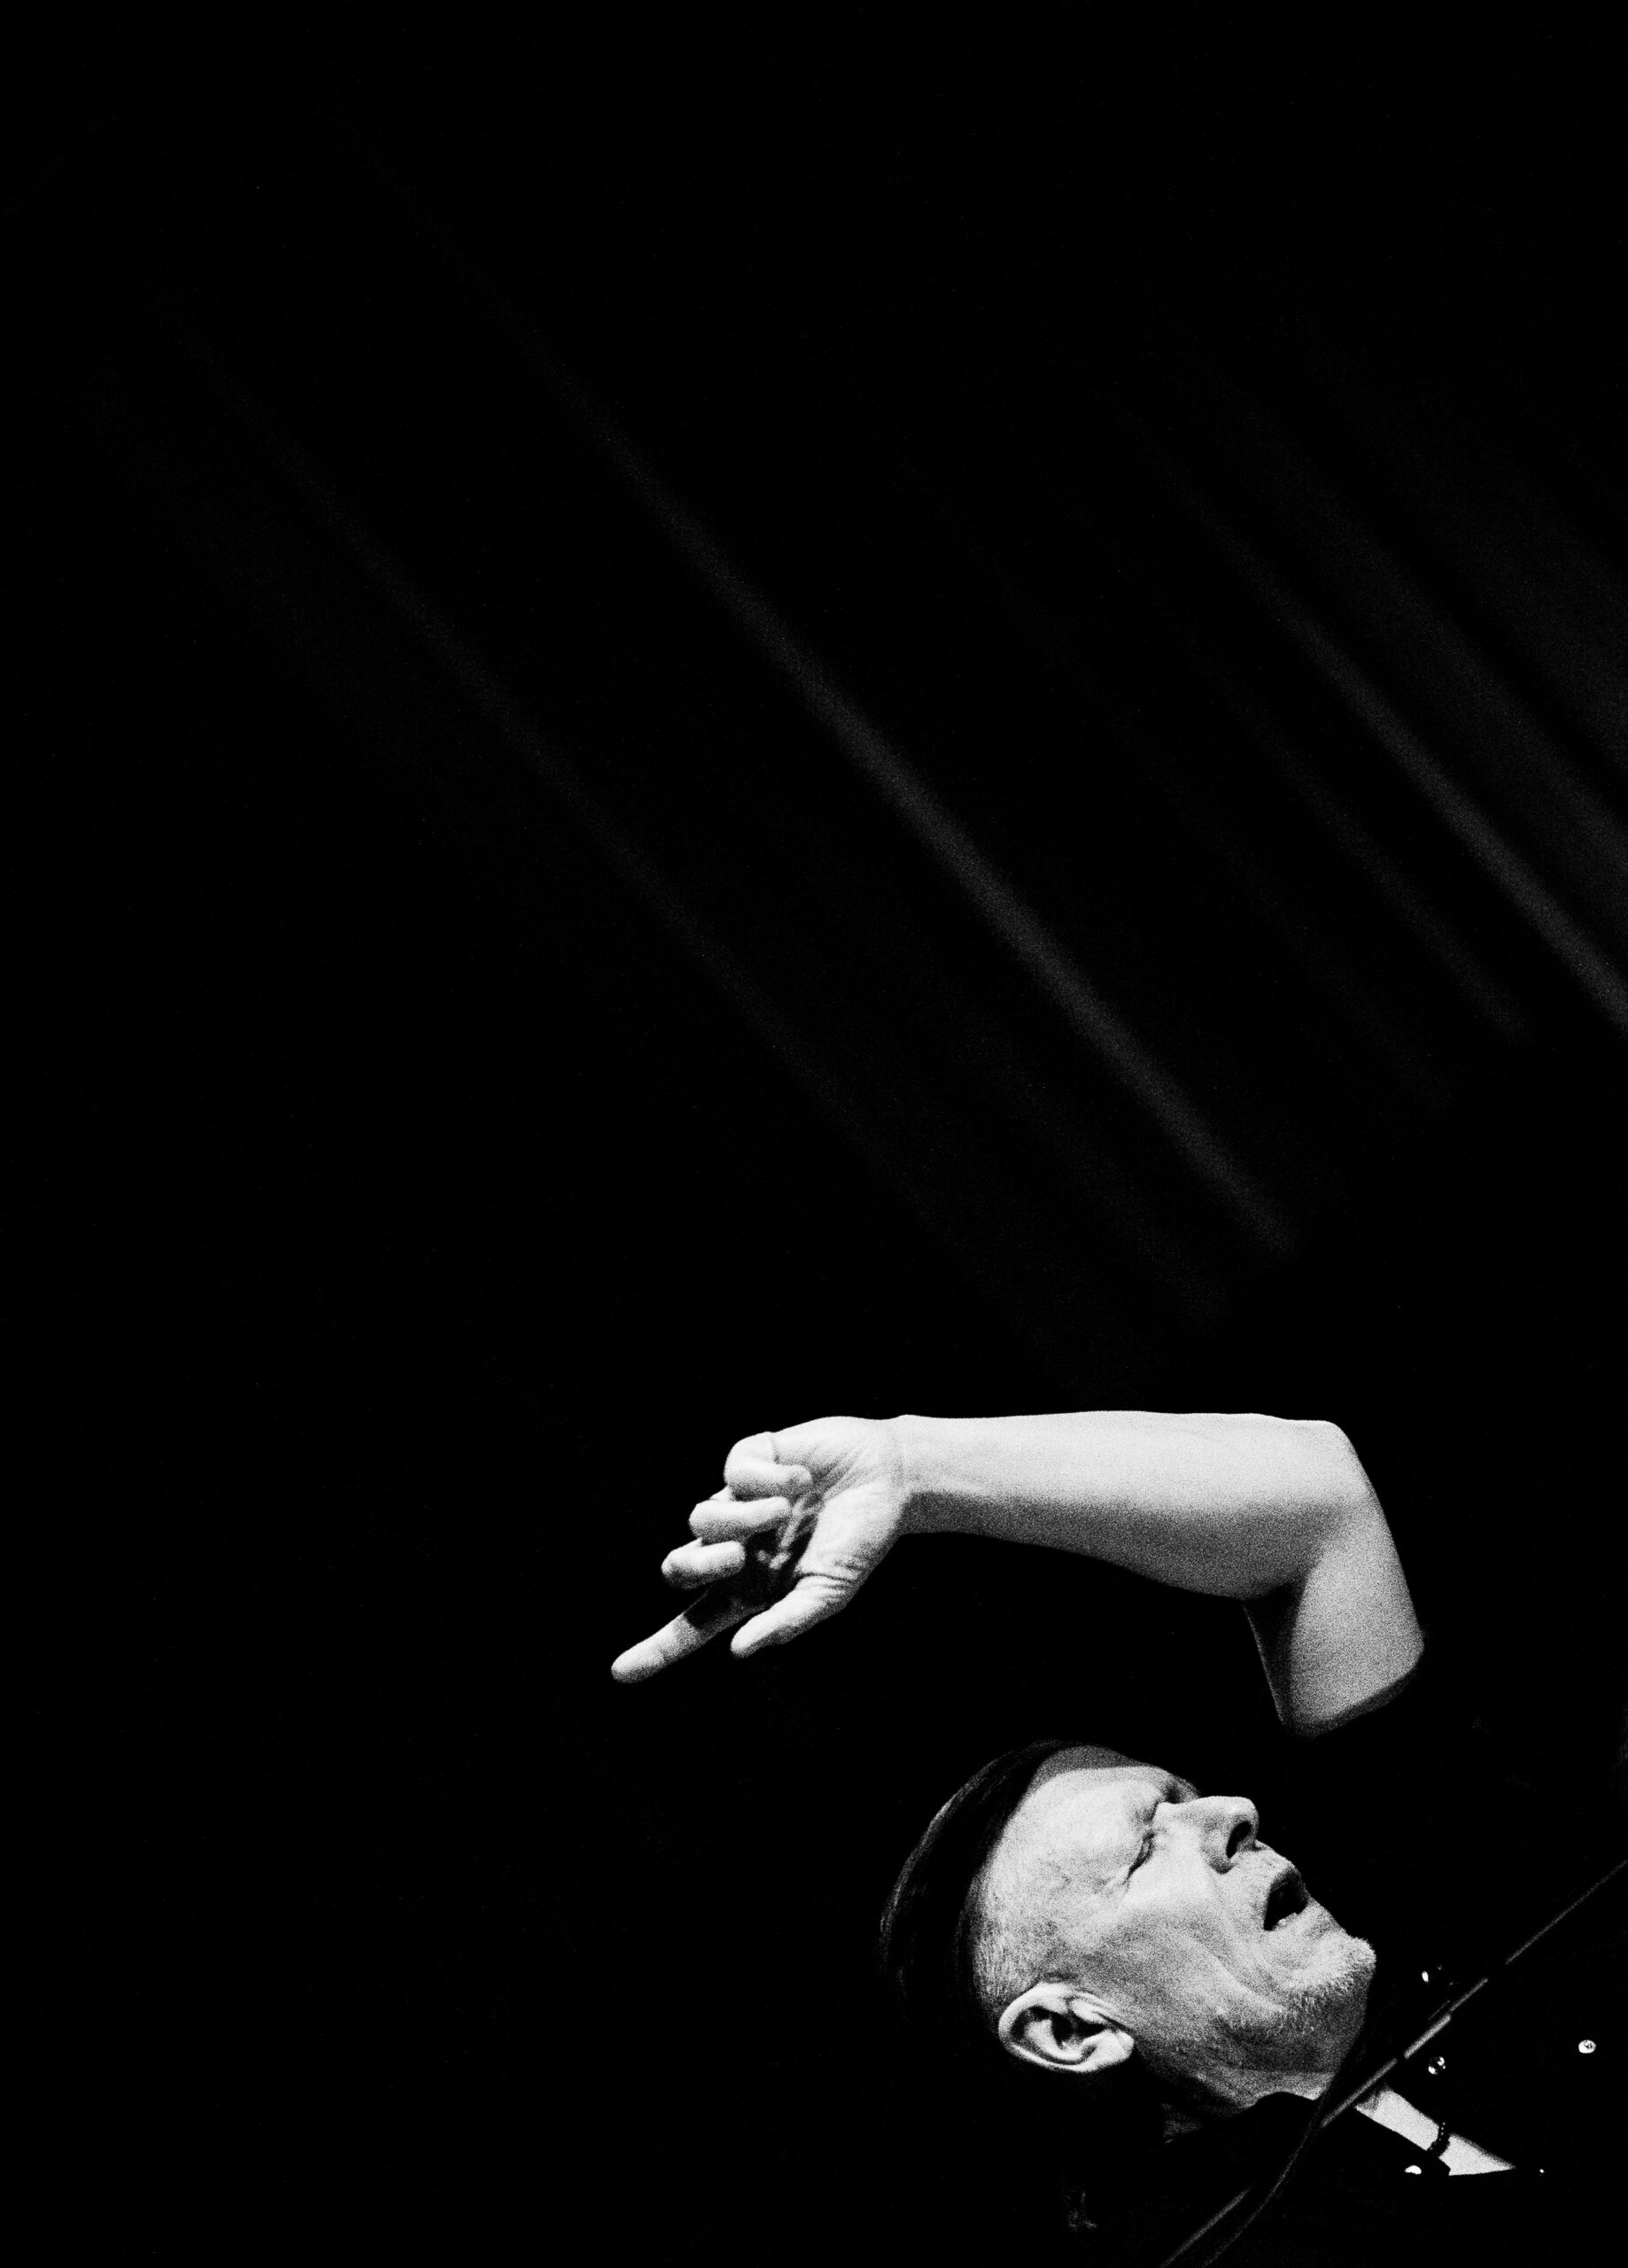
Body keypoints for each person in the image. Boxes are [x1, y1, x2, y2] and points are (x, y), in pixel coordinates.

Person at [612, 1411, 1624, 2263]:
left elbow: (1316, 1501)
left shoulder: (1440, 1904)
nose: (1230, 1812)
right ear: (1072, 2031)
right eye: (1144, 1848)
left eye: (1182, 1795)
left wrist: (916, 1466)